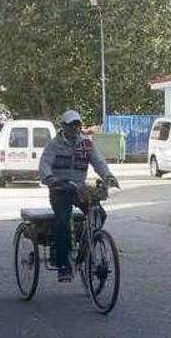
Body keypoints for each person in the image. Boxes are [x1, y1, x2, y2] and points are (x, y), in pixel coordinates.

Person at [39, 110, 119, 282]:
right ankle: (63, 265)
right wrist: (50, 178)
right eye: (71, 125)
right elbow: (44, 163)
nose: (75, 128)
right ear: (63, 126)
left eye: (77, 125)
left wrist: (108, 176)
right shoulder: (54, 144)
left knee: (99, 214)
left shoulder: (86, 144)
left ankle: (87, 246)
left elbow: (99, 162)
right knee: (63, 224)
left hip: (80, 189)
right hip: (60, 189)